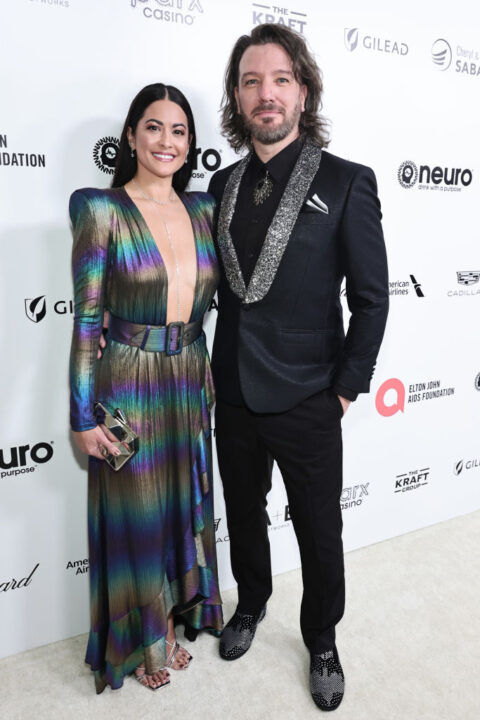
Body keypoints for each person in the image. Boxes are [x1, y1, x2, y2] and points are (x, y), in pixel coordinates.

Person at [207, 24, 389, 711]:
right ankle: (251, 603)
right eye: (252, 81)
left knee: (318, 527)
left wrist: (342, 391)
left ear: (302, 91)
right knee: (245, 516)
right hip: (234, 395)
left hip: (310, 396)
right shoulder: (221, 185)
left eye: (280, 79)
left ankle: (321, 639)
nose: (266, 94)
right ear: (237, 95)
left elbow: (371, 301)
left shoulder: (346, 183)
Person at [69, 83, 222, 694]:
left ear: (190, 145)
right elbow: (85, 318)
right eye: (153, 127)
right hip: (127, 379)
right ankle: (144, 641)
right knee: (138, 514)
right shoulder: (99, 209)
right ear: (131, 136)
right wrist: (82, 415)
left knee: (182, 503)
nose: (167, 141)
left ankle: (180, 610)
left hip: (188, 375)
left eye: (179, 130)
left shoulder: (206, 209)